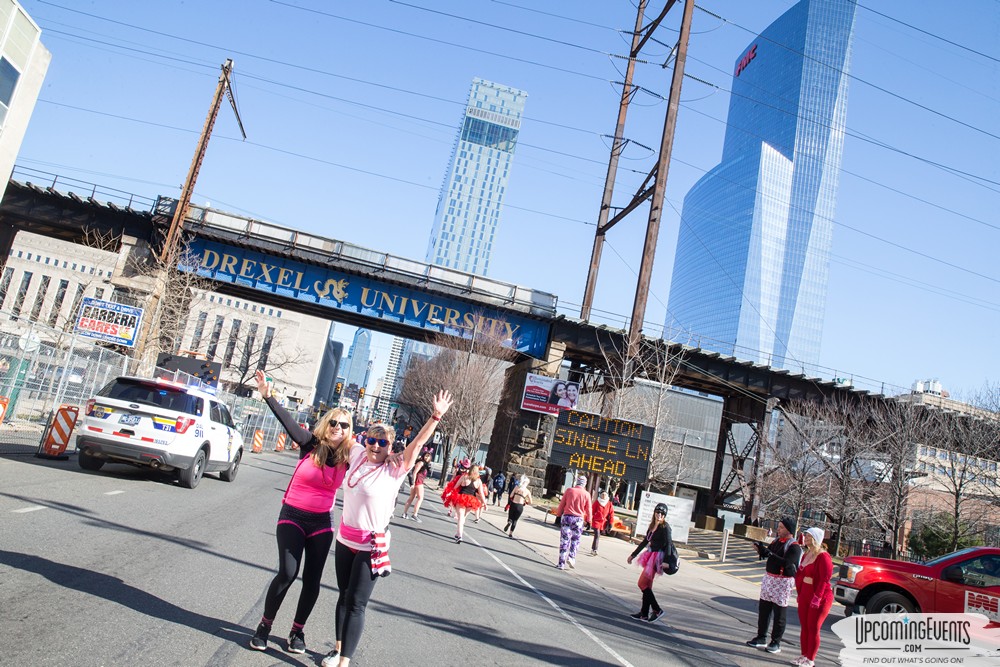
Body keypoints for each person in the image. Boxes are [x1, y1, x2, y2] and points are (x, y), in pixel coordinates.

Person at [321, 389, 453, 667]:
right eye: (372, 440)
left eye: (382, 443)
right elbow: (340, 432)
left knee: (356, 603)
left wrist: (436, 416)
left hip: (370, 545)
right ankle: (337, 649)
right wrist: (334, 421)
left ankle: (344, 662)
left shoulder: (395, 469)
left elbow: (418, 443)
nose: (376, 446)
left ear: (390, 447)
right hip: (345, 539)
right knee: (343, 597)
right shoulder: (357, 454)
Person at [249, 369, 353, 655]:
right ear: (327, 424)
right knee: (287, 572)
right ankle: (265, 626)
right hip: (292, 516)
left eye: (344, 425)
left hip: (321, 523)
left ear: (349, 430)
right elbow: (288, 422)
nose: (338, 428)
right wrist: (268, 396)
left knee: (312, 580)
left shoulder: (348, 457)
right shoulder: (310, 444)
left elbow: (377, 454)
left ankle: (297, 631)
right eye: (334, 422)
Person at [746, 517, 803, 655]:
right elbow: (768, 554)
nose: (778, 529)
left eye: (782, 527)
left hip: (782, 582)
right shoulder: (776, 541)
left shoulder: (794, 547)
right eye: (779, 526)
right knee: (764, 610)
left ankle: (776, 642)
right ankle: (761, 637)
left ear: (789, 530)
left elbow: (787, 563)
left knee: (779, 614)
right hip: (769, 579)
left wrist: (770, 553)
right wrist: (761, 549)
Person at [626, 502, 673, 622]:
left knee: (641, 584)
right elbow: (644, 542)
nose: (659, 515)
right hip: (650, 555)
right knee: (647, 586)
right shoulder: (652, 526)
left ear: (665, 515)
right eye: (658, 512)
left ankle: (657, 610)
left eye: (662, 513)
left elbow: (669, 544)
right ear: (654, 513)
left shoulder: (665, 527)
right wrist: (633, 555)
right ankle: (644, 613)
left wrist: (666, 561)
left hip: (657, 558)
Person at [794, 527, 833, 667]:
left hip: (820, 596)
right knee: (804, 627)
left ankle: (810, 659)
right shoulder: (807, 554)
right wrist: (799, 593)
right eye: (806, 535)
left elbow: (824, 579)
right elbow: (800, 574)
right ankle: (804, 655)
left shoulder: (823, 557)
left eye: (809, 536)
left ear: (816, 539)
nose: (806, 538)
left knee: (813, 627)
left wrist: (817, 597)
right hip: (805, 593)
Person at [555, 475, 592, 569]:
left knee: (564, 540)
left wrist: (558, 515)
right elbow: (588, 509)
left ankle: (561, 563)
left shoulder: (569, 490)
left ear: (577, 482)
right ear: (585, 484)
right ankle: (571, 557)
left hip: (567, 517)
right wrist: (589, 520)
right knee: (575, 540)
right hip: (578, 520)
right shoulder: (586, 494)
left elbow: (562, 504)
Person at [449, 463, 488, 543]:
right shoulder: (478, 481)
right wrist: (485, 504)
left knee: (460, 517)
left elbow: (455, 486)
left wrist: (450, 494)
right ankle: (458, 534)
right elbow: (481, 493)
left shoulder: (464, 477)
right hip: (471, 501)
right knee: (463, 518)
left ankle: (459, 535)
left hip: (461, 498)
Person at [400, 447, 433, 523]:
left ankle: (404, 513)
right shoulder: (421, 463)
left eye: (428, 456)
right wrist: (413, 483)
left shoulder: (425, 464)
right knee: (420, 498)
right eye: (426, 456)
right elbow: (414, 473)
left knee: (412, 497)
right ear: (423, 455)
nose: (427, 458)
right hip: (418, 482)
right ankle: (414, 514)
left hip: (419, 481)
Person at [589, 491, 615, 556]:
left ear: (607, 496)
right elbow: (592, 511)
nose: (603, 496)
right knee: (597, 535)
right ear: (600, 495)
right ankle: (595, 549)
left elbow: (611, 514)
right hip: (596, 521)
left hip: (603, 523)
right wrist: (589, 520)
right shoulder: (597, 502)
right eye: (602, 494)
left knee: (597, 536)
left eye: (605, 495)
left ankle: (593, 548)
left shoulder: (609, 504)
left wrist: (611, 523)